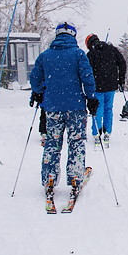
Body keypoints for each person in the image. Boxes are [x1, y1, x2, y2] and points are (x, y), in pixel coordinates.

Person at [29, 21, 97, 201]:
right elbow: (87, 77)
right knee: (76, 143)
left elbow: (35, 78)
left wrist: (38, 92)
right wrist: (91, 97)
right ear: (73, 36)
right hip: (76, 107)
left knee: (53, 143)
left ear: (57, 35)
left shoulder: (45, 56)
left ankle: (49, 179)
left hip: (52, 108)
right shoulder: (78, 54)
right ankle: (75, 178)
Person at [85, 34, 126, 149]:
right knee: (108, 108)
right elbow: (122, 62)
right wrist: (121, 79)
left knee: (98, 109)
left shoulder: (91, 53)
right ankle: (107, 131)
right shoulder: (112, 49)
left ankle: (97, 132)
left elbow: (86, 70)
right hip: (111, 85)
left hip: (97, 86)